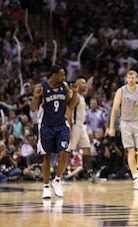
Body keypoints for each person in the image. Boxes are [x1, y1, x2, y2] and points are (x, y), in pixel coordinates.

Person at [30, 64, 78, 199]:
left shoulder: (64, 87)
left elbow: (71, 104)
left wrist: (74, 93)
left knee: (64, 153)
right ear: (54, 75)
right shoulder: (42, 87)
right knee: (47, 157)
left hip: (61, 126)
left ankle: (57, 180)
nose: (64, 77)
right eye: (61, 75)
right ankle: (46, 187)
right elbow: (33, 109)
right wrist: (35, 97)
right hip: (46, 126)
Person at [108, 70, 138, 190]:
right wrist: (111, 126)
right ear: (126, 79)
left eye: (133, 77)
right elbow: (115, 109)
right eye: (129, 77)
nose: (131, 80)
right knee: (131, 151)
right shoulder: (121, 91)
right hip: (125, 123)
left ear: (137, 78)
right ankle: (136, 178)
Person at [67, 77, 98, 183]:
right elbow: (69, 110)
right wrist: (69, 126)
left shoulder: (82, 97)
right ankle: (61, 175)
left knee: (87, 149)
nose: (85, 85)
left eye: (86, 83)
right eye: (83, 83)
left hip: (81, 126)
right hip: (75, 126)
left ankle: (90, 175)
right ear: (78, 85)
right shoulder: (75, 96)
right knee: (69, 152)